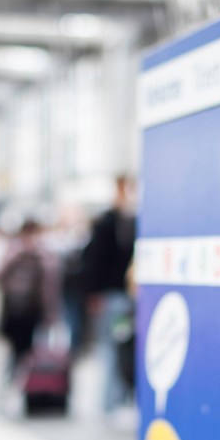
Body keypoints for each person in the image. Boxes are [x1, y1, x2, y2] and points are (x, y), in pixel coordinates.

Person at [83, 174, 136, 414]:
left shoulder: (127, 221)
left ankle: (114, 400)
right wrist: (94, 294)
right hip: (111, 297)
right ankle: (109, 402)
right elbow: (94, 261)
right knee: (112, 347)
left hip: (121, 297)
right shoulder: (108, 223)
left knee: (118, 346)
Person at [0, 220, 57, 374]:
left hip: (17, 309)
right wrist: (51, 313)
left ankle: (15, 377)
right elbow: (50, 287)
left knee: (19, 349)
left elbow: (0, 278)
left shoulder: (13, 252)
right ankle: (23, 378)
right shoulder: (43, 254)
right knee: (28, 348)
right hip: (30, 309)